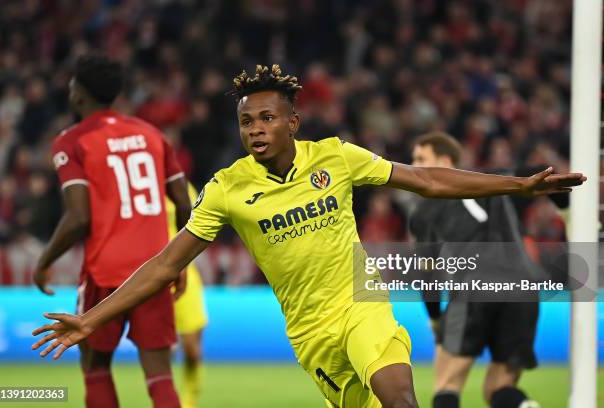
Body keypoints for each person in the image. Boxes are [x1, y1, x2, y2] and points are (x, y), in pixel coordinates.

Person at [32, 64, 585, 408]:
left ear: (292, 122)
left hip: (361, 307)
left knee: (400, 396)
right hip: (310, 331)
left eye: (267, 119)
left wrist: (517, 183)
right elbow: (163, 265)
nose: (255, 130)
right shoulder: (227, 189)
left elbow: (426, 180)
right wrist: (92, 317)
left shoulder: (336, 157)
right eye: (247, 122)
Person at [33, 55, 191, 408]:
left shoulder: (71, 141)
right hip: (153, 269)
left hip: (104, 269)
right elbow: (183, 202)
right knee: (159, 373)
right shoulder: (152, 134)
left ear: (77, 94)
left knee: (95, 366)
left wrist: (43, 261)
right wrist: (177, 263)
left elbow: (78, 218)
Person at [410, 131, 542, 408]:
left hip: (473, 288)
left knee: (447, 385)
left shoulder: (425, 209)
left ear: (445, 160)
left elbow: (427, 273)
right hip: (525, 289)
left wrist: (434, 318)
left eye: (421, 158)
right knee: (499, 388)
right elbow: (538, 172)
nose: (413, 166)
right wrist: (567, 211)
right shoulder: (495, 179)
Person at [167, 183, 208, 408]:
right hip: (151, 275)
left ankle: (190, 401)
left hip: (184, 273)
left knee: (192, 351)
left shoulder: (182, 186)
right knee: (164, 351)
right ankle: (168, 400)